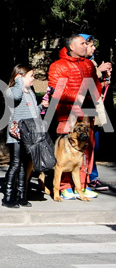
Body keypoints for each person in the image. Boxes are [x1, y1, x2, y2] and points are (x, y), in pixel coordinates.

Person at [43, 33, 110, 199]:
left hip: (87, 113)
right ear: (71, 47)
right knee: (67, 151)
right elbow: (56, 91)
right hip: (66, 113)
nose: (85, 46)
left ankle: (83, 184)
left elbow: (94, 85)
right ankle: (65, 187)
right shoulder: (57, 66)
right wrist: (79, 95)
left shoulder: (88, 64)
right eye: (82, 43)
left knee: (86, 151)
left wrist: (99, 88)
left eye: (86, 44)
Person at [2, 65, 41, 208]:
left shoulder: (30, 92)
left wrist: (42, 106)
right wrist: (18, 81)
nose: (33, 78)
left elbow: (33, 111)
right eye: (31, 76)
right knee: (16, 164)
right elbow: (16, 96)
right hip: (16, 134)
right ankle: (8, 197)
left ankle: (22, 195)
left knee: (25, 165)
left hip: (28, 134)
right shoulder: (12, 91)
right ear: (20, 76)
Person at [80, 33, 110, 192]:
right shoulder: (82, 63)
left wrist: (104, 78)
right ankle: (88, 178)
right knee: (87, 146)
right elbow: (84, 81)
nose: (94, 47)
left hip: (94, 111)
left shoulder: (91, 62)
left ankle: (91, 176)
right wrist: (98, 71)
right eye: (91, 45)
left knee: (94, 147)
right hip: (84, 112)